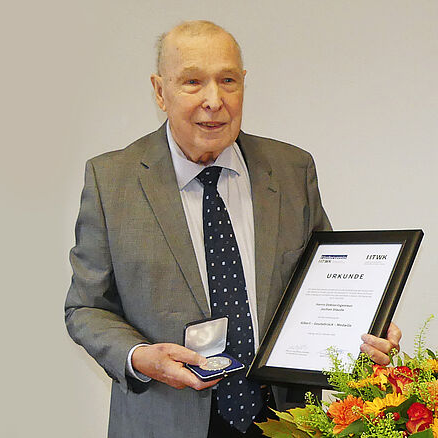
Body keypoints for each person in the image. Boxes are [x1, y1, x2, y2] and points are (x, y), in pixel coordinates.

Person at [64, 20, 401, 438]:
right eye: (192, 81)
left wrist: (368, 322)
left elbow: (325, 283)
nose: (214, 100)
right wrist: (139, 356)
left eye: (228, 80)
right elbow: (85, 308)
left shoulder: (292, 170)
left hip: (286, 421)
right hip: (165, 422)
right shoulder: (111, 180)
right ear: (159, 91)